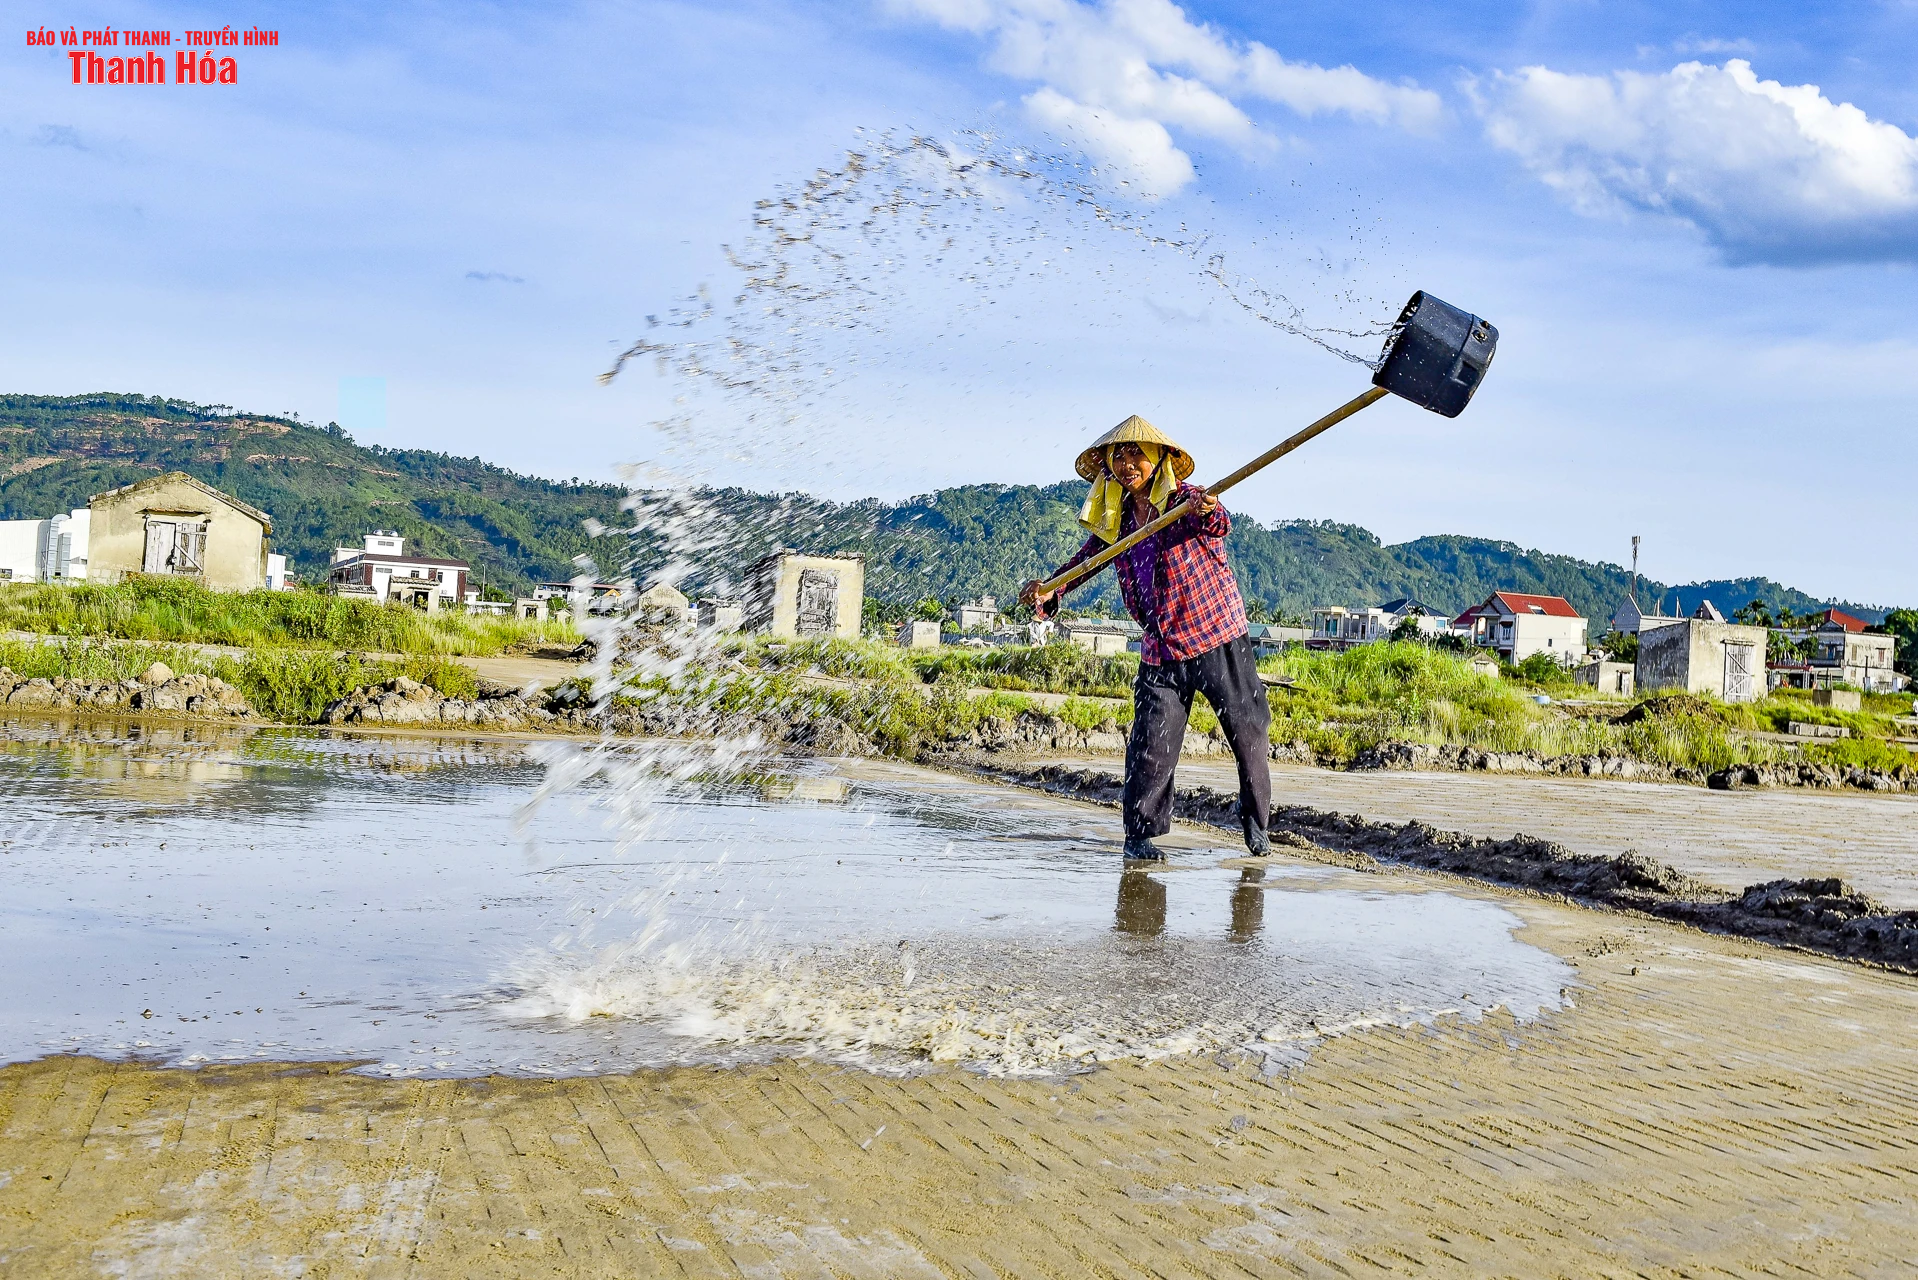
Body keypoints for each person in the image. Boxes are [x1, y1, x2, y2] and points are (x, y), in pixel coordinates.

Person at [1021, 415, 1273, 863]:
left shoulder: (1184, 500)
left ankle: (1255, 821)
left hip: (1216, 633)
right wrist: (1048, 591)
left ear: (1160, 459)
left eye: (1137, 453)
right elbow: (1085, 563)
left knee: (1248, 731)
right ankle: (1140, 833)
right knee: (1150, 744)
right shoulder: (1118, 523)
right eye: (1119, 455)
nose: (1127, 462)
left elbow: (1219, 524)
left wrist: (1210, 510)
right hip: (1161, 646)